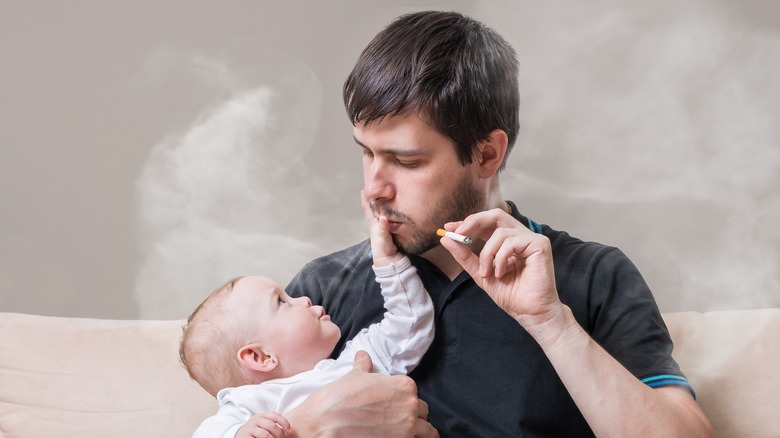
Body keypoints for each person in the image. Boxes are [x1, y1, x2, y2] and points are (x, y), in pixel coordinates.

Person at [278, 10, 714, 437]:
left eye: (405, 161)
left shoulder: (596, 277)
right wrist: (310, 426)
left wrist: (552, 325)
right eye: (367, 153)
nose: (375, 188)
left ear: (487, 154)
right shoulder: (319, 296)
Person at [180, 193, 434, 438]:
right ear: (260, 356)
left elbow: (410, 323)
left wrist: (388, 262)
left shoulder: (356, 363)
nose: (303, 298)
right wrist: (238, 433)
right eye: (282, 301)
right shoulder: (249, 405)